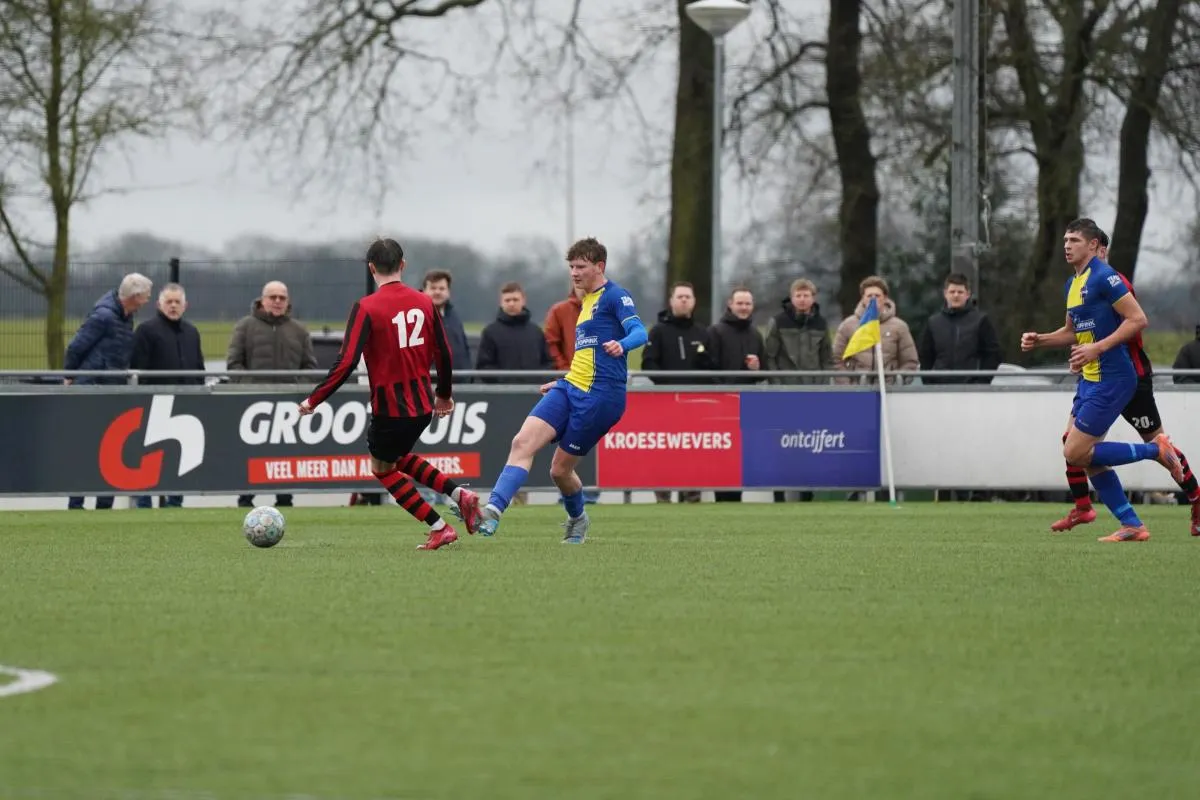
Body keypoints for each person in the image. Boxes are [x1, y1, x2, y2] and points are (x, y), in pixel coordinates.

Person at [298, 238, 481, 551]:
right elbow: (444, 353)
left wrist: (314, 399)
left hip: (390, 408)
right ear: (403, 265)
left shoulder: (366, 307)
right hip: (422, 405)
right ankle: (459, 495)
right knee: (398, 457)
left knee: (381, 468)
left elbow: (346, 362)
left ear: (371, 268)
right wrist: (444, 394)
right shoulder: (425, 302)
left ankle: (440, 527)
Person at [461, 237, 647, 544]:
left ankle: (578, 520)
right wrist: (565, 380)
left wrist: (622, 344)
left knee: (560, 471)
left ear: (599, 266)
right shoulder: (585, 301)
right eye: (571, 266)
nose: (574, 273)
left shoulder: (616, 296)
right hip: (570, 387)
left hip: (601, 398)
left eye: (581, 266)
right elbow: (587, 355)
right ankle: (492, 511)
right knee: (522, 442)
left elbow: (639, 331)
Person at [1021, 218, 1183, 542]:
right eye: (1065, 240)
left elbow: (1138, 319)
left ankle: (1155, 450)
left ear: (1093, 245)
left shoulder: (1105, 277)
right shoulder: (1073, 283)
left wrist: (1097, 348)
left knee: (1075, 451)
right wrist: (1041, 340)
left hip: (1114, 377)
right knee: (1081, 453)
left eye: (1074, 241)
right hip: (1089, 379)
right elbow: (1072, 332)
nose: (1067, 246)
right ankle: (1131, 524)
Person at [64, 272, 153, 510]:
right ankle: (76, 503)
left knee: (111, 448)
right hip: (92, 387)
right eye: (145, 296)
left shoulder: (125, 317)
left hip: (111, 387)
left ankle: (104, 504)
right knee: (86, 447)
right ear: (134, 297)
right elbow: (76, 347)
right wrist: (69, 376)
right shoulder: (103, 316)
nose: (147, 301)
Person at [227, 280, 318, 508]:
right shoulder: (245, 326)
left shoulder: (299, 330)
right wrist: (253, 388)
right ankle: (246, 498)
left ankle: (285, 498)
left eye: (282, 297)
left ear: (287, 301)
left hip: (288, 407)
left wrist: (297, 389)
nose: (277, 301)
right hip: (253, 405)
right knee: (251, 453)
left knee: (285, 455)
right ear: (262, 299)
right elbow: (234, 364)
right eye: (272, 297)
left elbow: (310, 367)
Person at [129, 282, 206, 509]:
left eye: (177, 302)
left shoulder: (192, 332)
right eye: (169, 302)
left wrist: (198, 393)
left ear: (185, 305)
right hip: (154, 405)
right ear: (159, 304)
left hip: (185, 405)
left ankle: (174, 501)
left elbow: (198, 368)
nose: (173, 306)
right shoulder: (146, 331)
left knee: (177, 456)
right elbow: (137, 368)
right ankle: (144, 503)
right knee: (149, 456)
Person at [642, 281, 706, 504]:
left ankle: (692, 494)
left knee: (693, 448)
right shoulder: (658, 331)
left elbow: (710, 365)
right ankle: (663, 495)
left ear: (694, 301)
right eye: (680, 297)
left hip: (695, 403)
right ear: (671, 301)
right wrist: (668, 385)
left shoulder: (702, 332)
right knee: (666, 448)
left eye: (688, 297)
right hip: (665, 403)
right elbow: (648, 363)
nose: (684, 300)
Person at [917, 273, 1002, 384]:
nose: (956, 295)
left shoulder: (981, 321)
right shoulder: (933, 323)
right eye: (952, 292)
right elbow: (925, 356)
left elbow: (992, 354)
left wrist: (982, 381)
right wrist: (929, 382)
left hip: (972, 388)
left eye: (960, 292)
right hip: (940, 388)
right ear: (945, 294)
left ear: (968, 294)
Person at [833, 276, 919, 383]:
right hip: (858, 388)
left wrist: (898, 383)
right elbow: (835, 359)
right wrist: (847, 385)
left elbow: (910, 361)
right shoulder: (848, 325)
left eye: (877, 296)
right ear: (863, 298)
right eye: (869, 296)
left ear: (885, 298)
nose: (873, 299)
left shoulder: (899, 327)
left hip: (889, 388)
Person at [763, 278, 833, 385]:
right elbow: (770, 357)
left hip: (814, 386)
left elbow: (827, 359)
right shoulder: (778, 322)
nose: (802, 299)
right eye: (798, 296)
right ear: (792, 298)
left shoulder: (821, 324)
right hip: (785, 386)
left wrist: (823, 385)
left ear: (813, 298)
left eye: (806, 296)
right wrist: (777, 385)